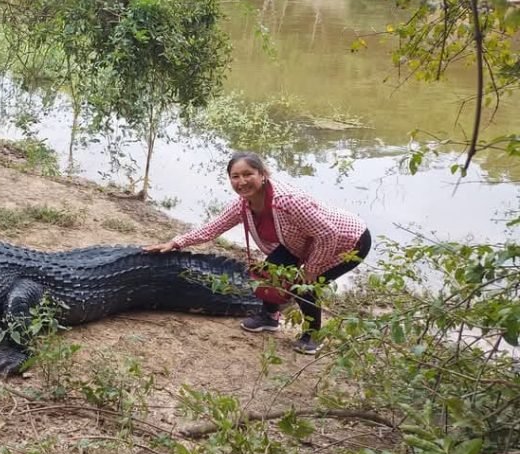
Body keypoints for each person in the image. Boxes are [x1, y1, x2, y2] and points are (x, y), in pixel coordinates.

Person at [144, 151, 371, 355]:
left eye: (248, 174)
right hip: (301, 242)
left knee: (305, 286)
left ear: (262, 174)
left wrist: (311, 269)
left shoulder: (288, 201)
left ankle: (313, 335)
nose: (242, 181)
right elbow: (213, 228)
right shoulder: (243, 204)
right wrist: (176, 242)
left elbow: (328, 234)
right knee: (268, 272)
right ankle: (269, 317)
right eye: (235, 176)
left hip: (348, 241)